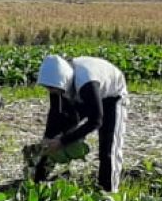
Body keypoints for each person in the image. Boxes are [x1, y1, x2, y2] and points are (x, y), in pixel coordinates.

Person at [33, 55, 129, 190]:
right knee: (57, 132)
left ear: (63, 81)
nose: (51, 91)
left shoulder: (86, 83)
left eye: (52, 89)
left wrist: (63, 141)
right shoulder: (57, 82)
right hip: (84, 93)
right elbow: (55, 114)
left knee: (108, 149)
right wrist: (47, 139)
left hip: (112, 97)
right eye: (48, 88)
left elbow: (96, 120)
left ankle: (109, 194)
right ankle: (38, 182)